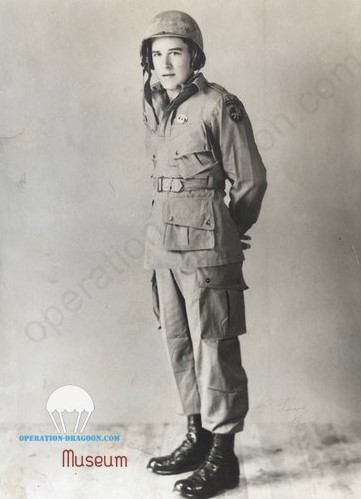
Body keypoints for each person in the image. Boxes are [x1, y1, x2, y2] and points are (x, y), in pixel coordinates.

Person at [140, 10, 267, 498]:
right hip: (163, 246)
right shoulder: (154, 104)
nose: (166, 63)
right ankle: (196, 437)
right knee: (178, 344)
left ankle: (223, 454)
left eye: (175, 52)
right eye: (157, 54)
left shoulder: (220, 106)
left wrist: (231, 230)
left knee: (215, 348)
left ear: (195, 56)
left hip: (207, 250)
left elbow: (251, 179)